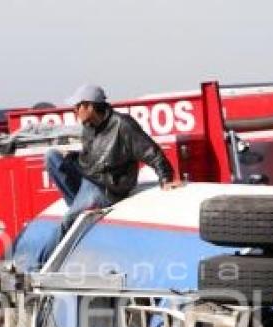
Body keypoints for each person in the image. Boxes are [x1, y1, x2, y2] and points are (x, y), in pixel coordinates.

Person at [37, 84, 182, 266]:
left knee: (67, 220)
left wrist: (166, 178)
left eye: (77, 107)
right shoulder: (88, 126)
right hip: (88, 178)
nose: (74, 111)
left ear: (89, 106)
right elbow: (90, 157)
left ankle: (39, 264)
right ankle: (77, 204)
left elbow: (151, 151)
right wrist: (72, 158)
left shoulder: (123, 125)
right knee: (52, 156)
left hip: (106, 187)